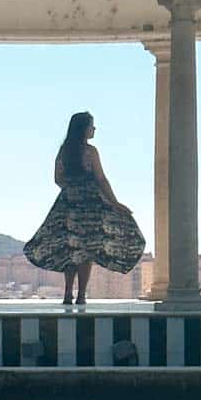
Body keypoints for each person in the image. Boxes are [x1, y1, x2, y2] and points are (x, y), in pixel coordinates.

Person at [24, 112, 145, 305]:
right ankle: (80, 295)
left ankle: (67, 294)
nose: (94, 129)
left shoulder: (64, 151)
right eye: (92, 125)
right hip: (91, 205)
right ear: (84, 128)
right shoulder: (90, 151)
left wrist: (72, 189)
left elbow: (57, 178)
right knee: (87, 251)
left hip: (68, 204)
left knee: (71, 249)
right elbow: (101, 180)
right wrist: (115, 203)